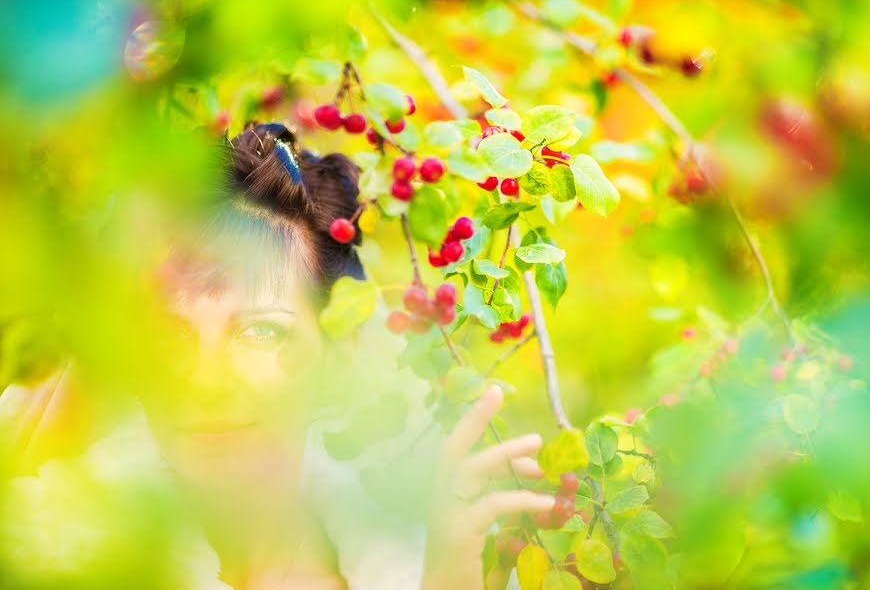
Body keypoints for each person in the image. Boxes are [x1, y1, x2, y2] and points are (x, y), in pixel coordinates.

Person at [0, 122, 555, 589]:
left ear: (335, 356)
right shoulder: (55, 553)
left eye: (261, 333)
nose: (206, 381)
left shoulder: (403, 558)